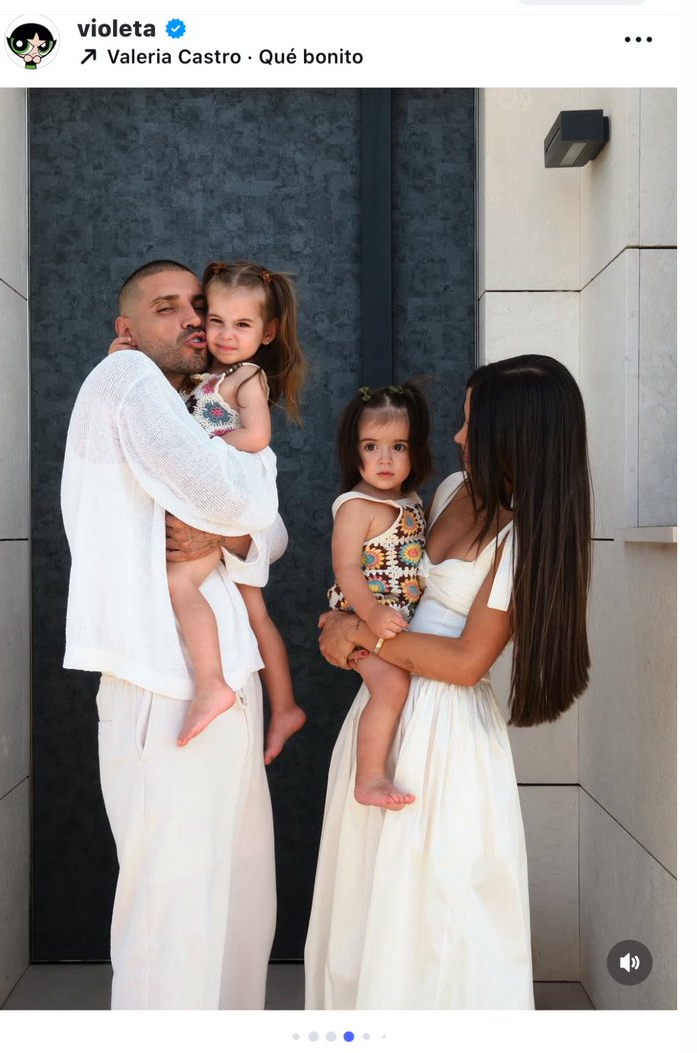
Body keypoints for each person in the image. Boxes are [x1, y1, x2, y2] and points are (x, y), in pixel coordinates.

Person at [305, 354, 592, 1009]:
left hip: (444, 738)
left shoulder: (522, 539)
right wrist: (343, 626)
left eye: (470, 424)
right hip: (385, 709)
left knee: (432, 916)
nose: (457, 438)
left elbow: (466, 662)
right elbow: (392, 589)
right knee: (365, 905)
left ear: (511, 434)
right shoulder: (452, 492)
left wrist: (363, 635)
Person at [62, 259, 286, 1010]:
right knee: (174, 917)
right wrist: (237, 520)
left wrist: (226, 537)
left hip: (222, 677)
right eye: (167, 308)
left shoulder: (191, 402)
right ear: (125, 329)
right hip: (164, 682)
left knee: (235, 904)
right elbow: (238, 499)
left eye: (199, 304)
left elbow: (268, 535)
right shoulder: (125, 381)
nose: (194, 319)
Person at [113, 259, 306, 761]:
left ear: (266, 332)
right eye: (215, 319)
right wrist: (123, 357)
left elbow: (257, 436)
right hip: (222, 491)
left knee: (181, 582)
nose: (220, 333)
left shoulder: (246, 377)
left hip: (238, 485)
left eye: (240, 325)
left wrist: (206, 444)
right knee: (256, 610)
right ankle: (285, 707)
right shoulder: (200, 379)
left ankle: (212, 682)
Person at [326, 382, 430, 809]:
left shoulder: (412, 500)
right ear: (355, 451)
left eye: (398, 446)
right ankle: (369, 778)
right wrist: (369, 613)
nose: (385, 459)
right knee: (390, 687)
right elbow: (346, 567)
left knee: (405, 689)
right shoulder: (355, 505)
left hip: (397, 621)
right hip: (362, 615)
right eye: (371, 446)